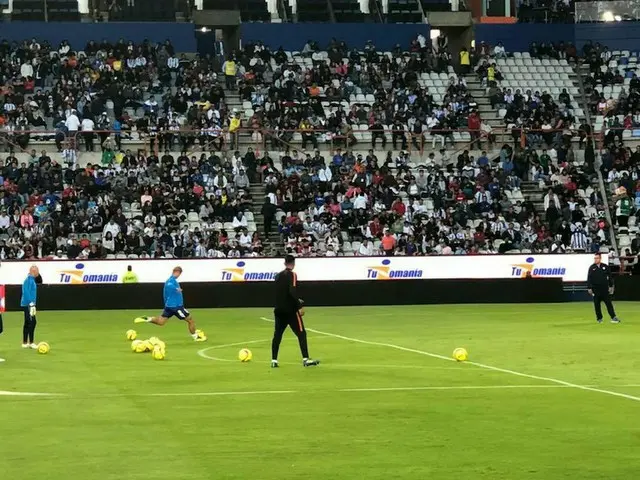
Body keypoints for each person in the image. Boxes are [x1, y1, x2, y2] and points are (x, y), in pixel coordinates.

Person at [271, 255, 320, 368]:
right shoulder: (292, 275)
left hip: (278, 309)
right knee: (301, 333)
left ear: (284, 263)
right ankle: (306, 359)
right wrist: (299, 305)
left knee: (277, 335)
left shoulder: (277, 276)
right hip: (290, 310)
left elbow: (280, 293)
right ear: (293, 263)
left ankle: (274, 360)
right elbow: (292, 291)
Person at [133, 267, 206, 341]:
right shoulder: (171, 280)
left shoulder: (172, 280)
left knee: (161, 322)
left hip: (169, 306)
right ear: (177, 272)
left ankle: (147, 319)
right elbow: (169, 285)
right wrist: (176, 288)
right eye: (179, 273)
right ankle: (196, 337)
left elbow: (166, 293)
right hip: (176, 307)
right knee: (190, 320)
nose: (179, 275)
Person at [587, 253, 620, 324]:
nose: (595, 259)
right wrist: (589, 287)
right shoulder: (591, 267)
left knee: (609, 304)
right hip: (596, 289)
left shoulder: (605, 266)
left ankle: (613, 317)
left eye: (597, 258)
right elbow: (589, 278)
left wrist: (611, 286)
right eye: (595, 258)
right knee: (597, 305)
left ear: (600, 258)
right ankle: (599, 318)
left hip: (604, 289)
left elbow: (610, 277)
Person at [20, 265, 39, 349]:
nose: (38, 272)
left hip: (30, 304)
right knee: (31, 322)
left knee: (28, 322)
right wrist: (31, 303)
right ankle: (30, 342)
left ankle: (26, 342)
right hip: (28, 304)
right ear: (33, 271)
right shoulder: (28, 280)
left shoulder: (31, 280)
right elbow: (26, 292)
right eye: (37, 270)